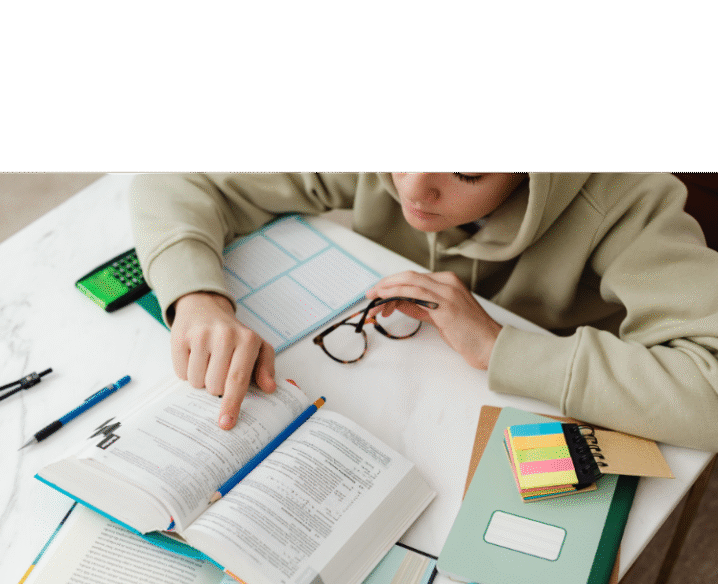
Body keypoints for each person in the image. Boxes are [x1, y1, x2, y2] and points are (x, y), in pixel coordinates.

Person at [129, 172, 718, 452]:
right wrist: (195, 296)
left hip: (544, 426)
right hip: (391, 409)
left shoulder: (627, 198)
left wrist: (499, 346)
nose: (412, 189)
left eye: (466, 173)